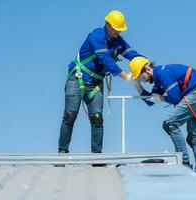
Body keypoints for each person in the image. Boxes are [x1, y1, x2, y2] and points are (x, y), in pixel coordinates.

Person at [58, 10, 144, 153]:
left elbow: (133, 55)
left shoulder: (119, 42)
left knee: (97, 119)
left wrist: (148, 67)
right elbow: (106, 60)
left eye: (120, 30)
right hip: (78, 78)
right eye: (116, 29)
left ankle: (97, 156)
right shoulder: (96, 36)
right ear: (107, 25)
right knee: (70, 115)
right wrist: (127, 77)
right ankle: (62, 152)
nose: (119, 32)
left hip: (95, 84)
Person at [129, 57, 196, 179]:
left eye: (140, 77)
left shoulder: (163, 74)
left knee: (170, 124)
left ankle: (184, 163)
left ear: (147, 69)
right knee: (194, 138)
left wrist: (162, 98)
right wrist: (137, 86)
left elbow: (175, 98)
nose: (141, 80)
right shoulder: (159, 78)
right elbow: (151, 101)